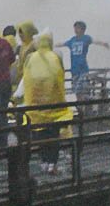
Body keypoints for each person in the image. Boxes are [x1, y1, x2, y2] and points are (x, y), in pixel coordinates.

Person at [17, 33, 75, 173]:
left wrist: (19, 96)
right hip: (53, 104)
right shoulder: (55, 56)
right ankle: (52, 164)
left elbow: (26, 79)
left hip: (36, 105)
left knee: (40, 134)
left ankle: (44, 161)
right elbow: (59, 78)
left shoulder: (31, 58)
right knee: (53, 135)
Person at [62, 20, 109, 97]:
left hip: (83, 69)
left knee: (85, 90)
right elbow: (63, 43)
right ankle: (80, 106)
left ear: (83, 30)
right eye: (75, 28)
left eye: (78, 28)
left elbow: (94, 41)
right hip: (74, 70)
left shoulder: (86, 38)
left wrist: (103, 43)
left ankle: (86, 105)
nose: (75, 30)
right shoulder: (72, 40)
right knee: (77, 91)